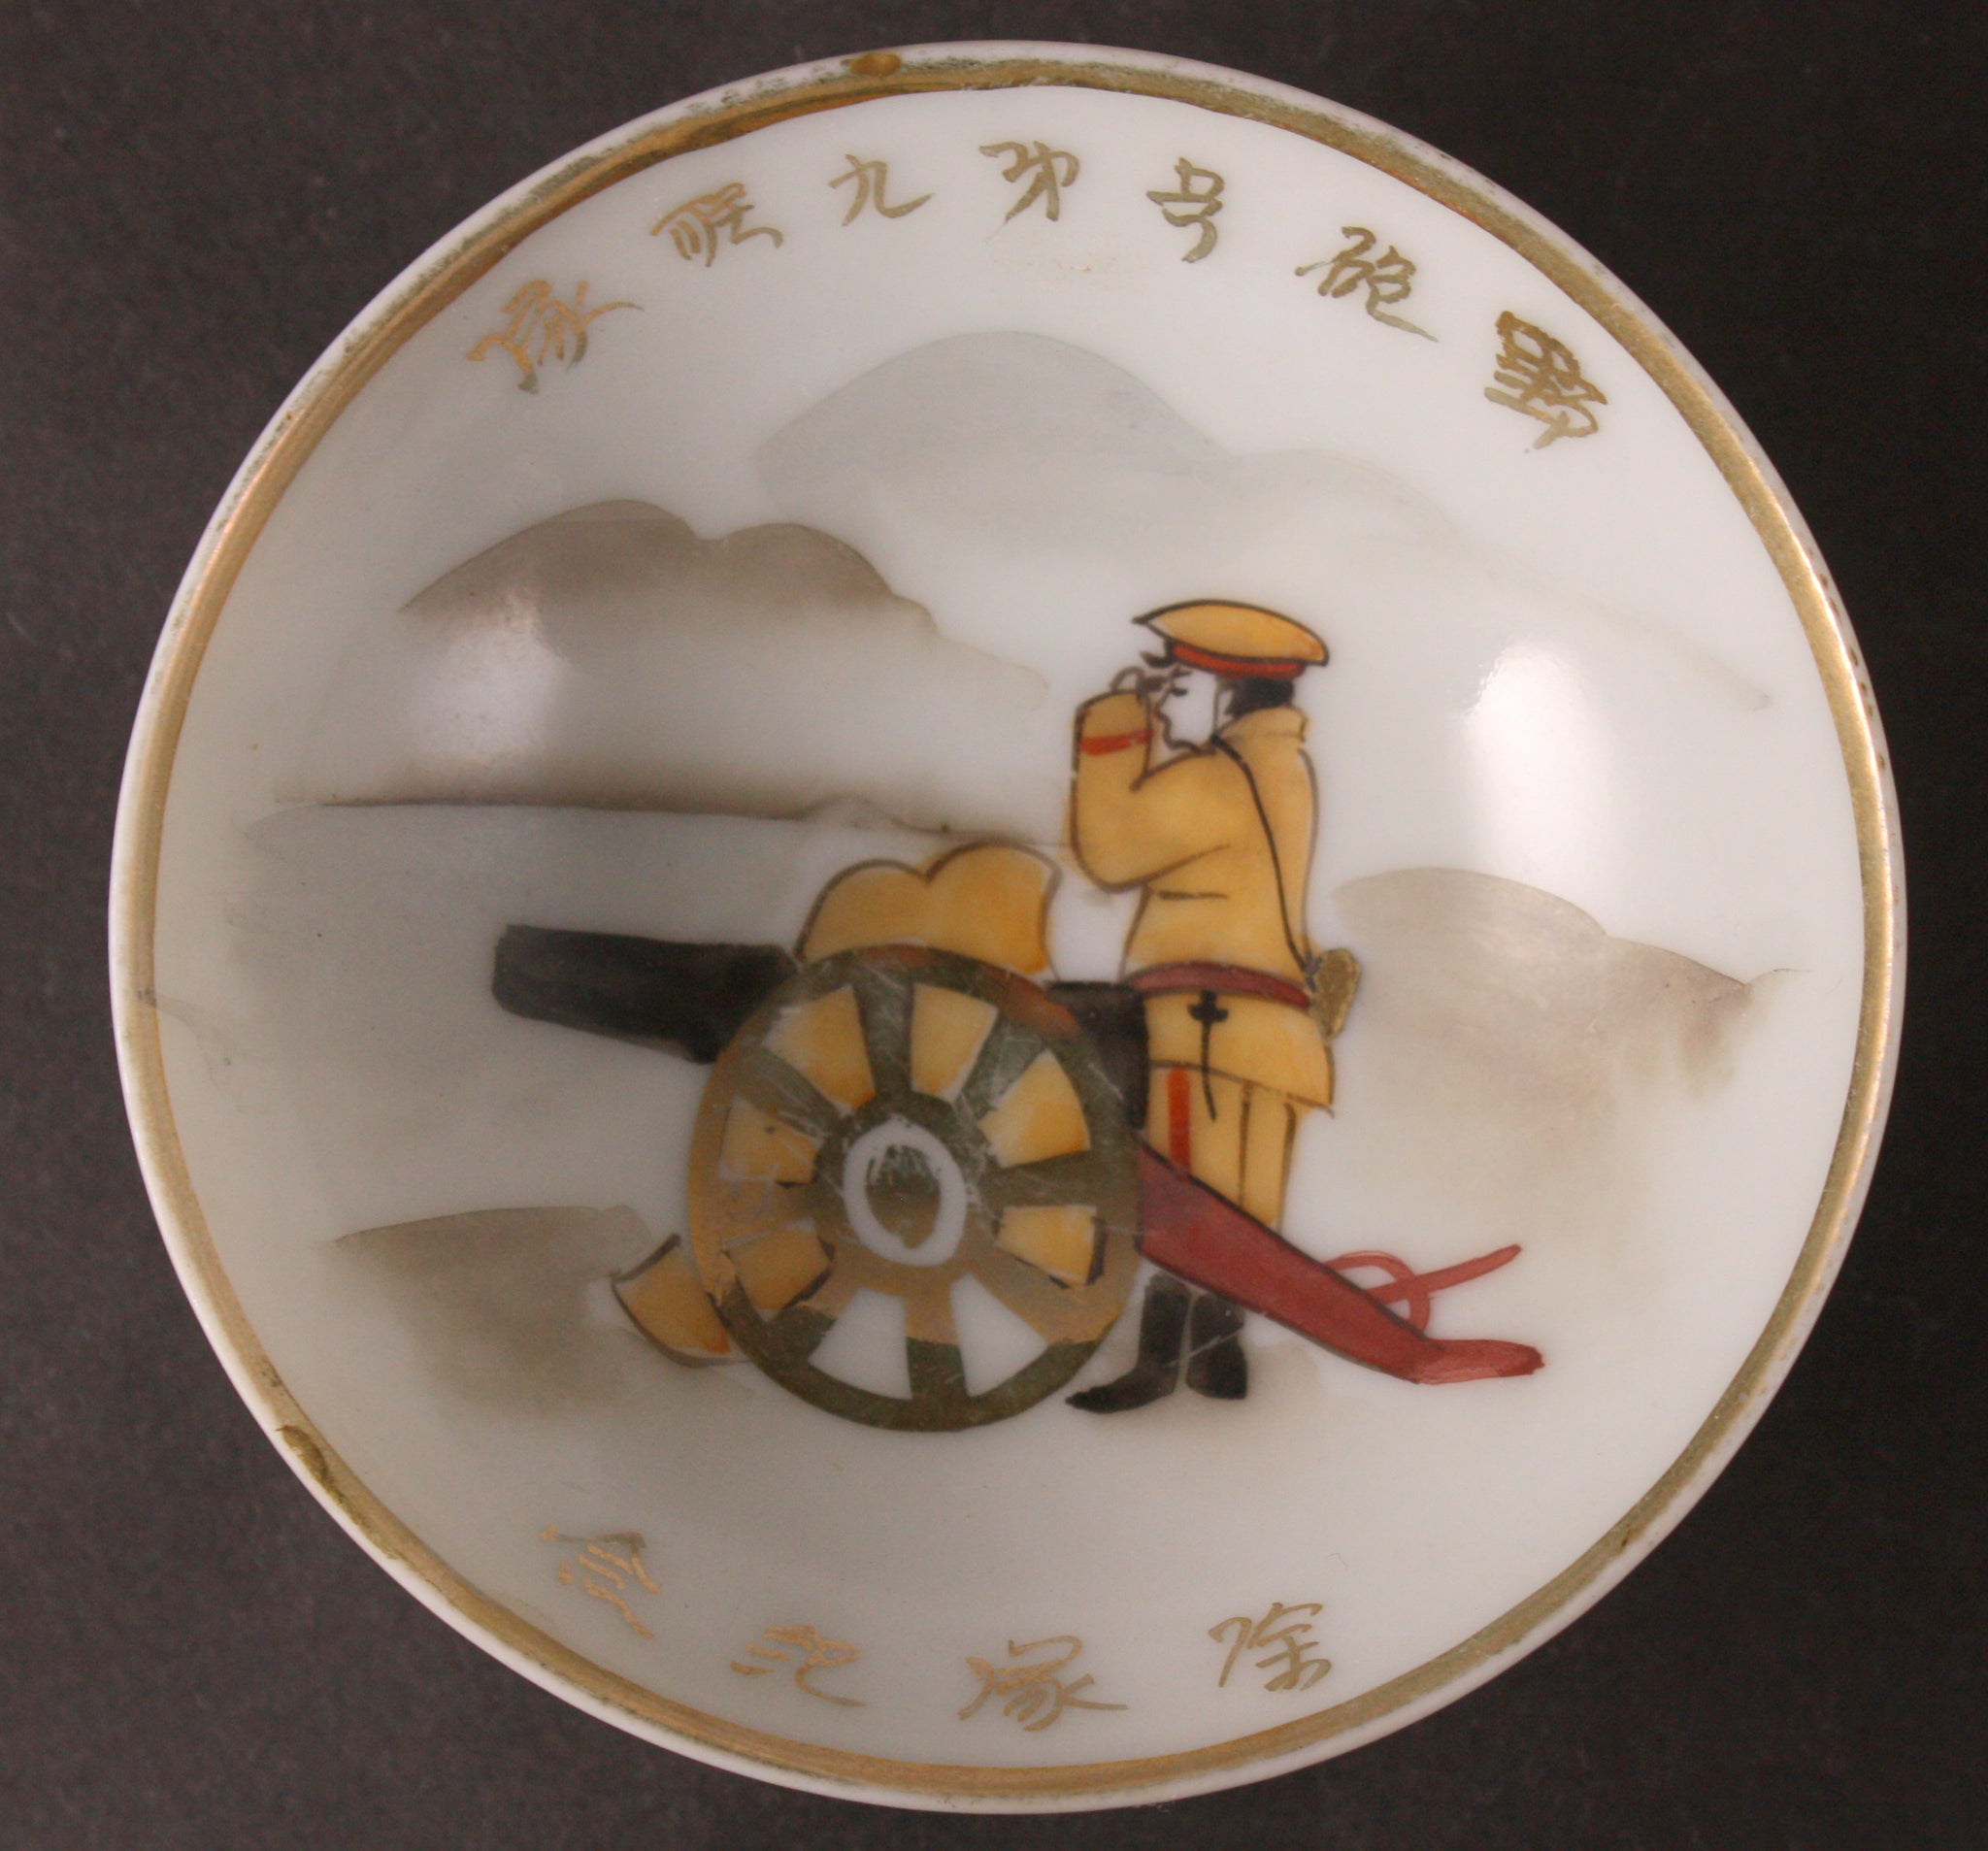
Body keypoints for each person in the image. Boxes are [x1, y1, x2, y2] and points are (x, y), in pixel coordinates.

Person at [1066, 600, 1540, 1409]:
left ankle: (1163, 1366)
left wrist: (1115, 731)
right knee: (1244, 1211)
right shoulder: (1286, 773)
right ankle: (1218, 1365)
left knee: (1188, 1211)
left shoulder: (1218, 781)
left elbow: (1110, 850)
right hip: (1275, 1033)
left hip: (1204, 1024)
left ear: (1224, 691)